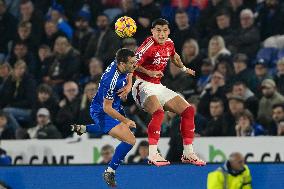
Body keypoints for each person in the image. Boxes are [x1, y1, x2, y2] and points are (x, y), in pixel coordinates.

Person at [130, 18, 206, 166]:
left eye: (164, 30)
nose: (161, 33)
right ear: (152, 31)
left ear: (168, 32)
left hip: (157, 86)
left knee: (188, 110)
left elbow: (174, 57)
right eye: (158, 30)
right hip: (142, 86)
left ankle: (188, 153)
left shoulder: (169, 43)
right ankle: (153, 154)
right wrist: (149, 72)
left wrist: (184, 68)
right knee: (159, 113)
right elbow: (132, 64)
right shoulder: (148, 45)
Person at [71, 48, 137, 187]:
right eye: (131, 63)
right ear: (122, 64)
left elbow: (131, 71)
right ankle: (110, 171)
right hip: (102, 110)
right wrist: (126, 120)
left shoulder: (120, 63)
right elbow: (107, 108)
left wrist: (129, 86)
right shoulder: (111, 81)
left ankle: (83, 129)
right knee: (130, 140)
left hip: (115, 104)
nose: (134, 65)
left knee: (119, 132)